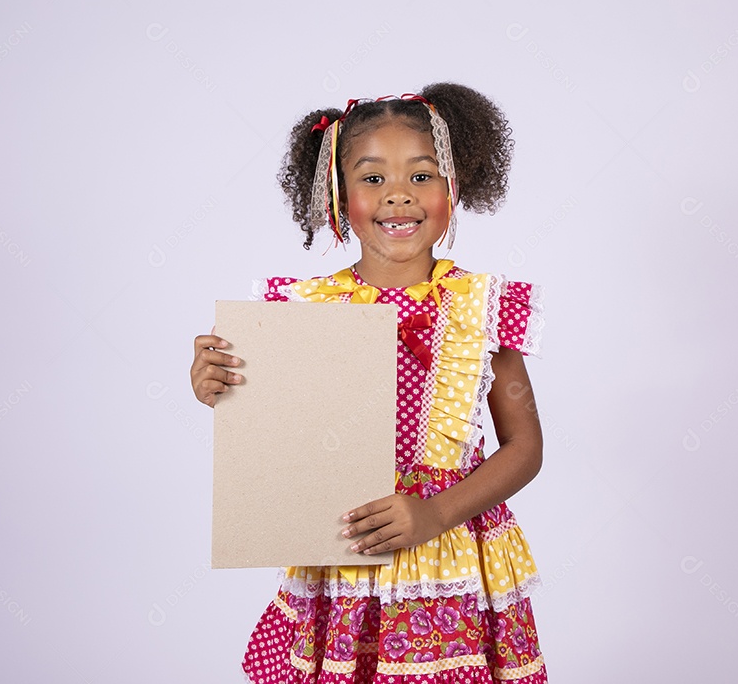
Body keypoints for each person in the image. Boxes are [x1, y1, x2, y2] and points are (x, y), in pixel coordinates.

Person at [190, 82, 548, 683]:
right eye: (373, 178)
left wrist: (433, 514)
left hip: (449, 553)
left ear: (454, 187)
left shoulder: (481, 308)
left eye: (422, 176)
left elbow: (525, 446)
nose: (399, 195)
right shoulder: (301, 310)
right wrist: (218, 384)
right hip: (343, 550)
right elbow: (275, 429)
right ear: (338, 195)